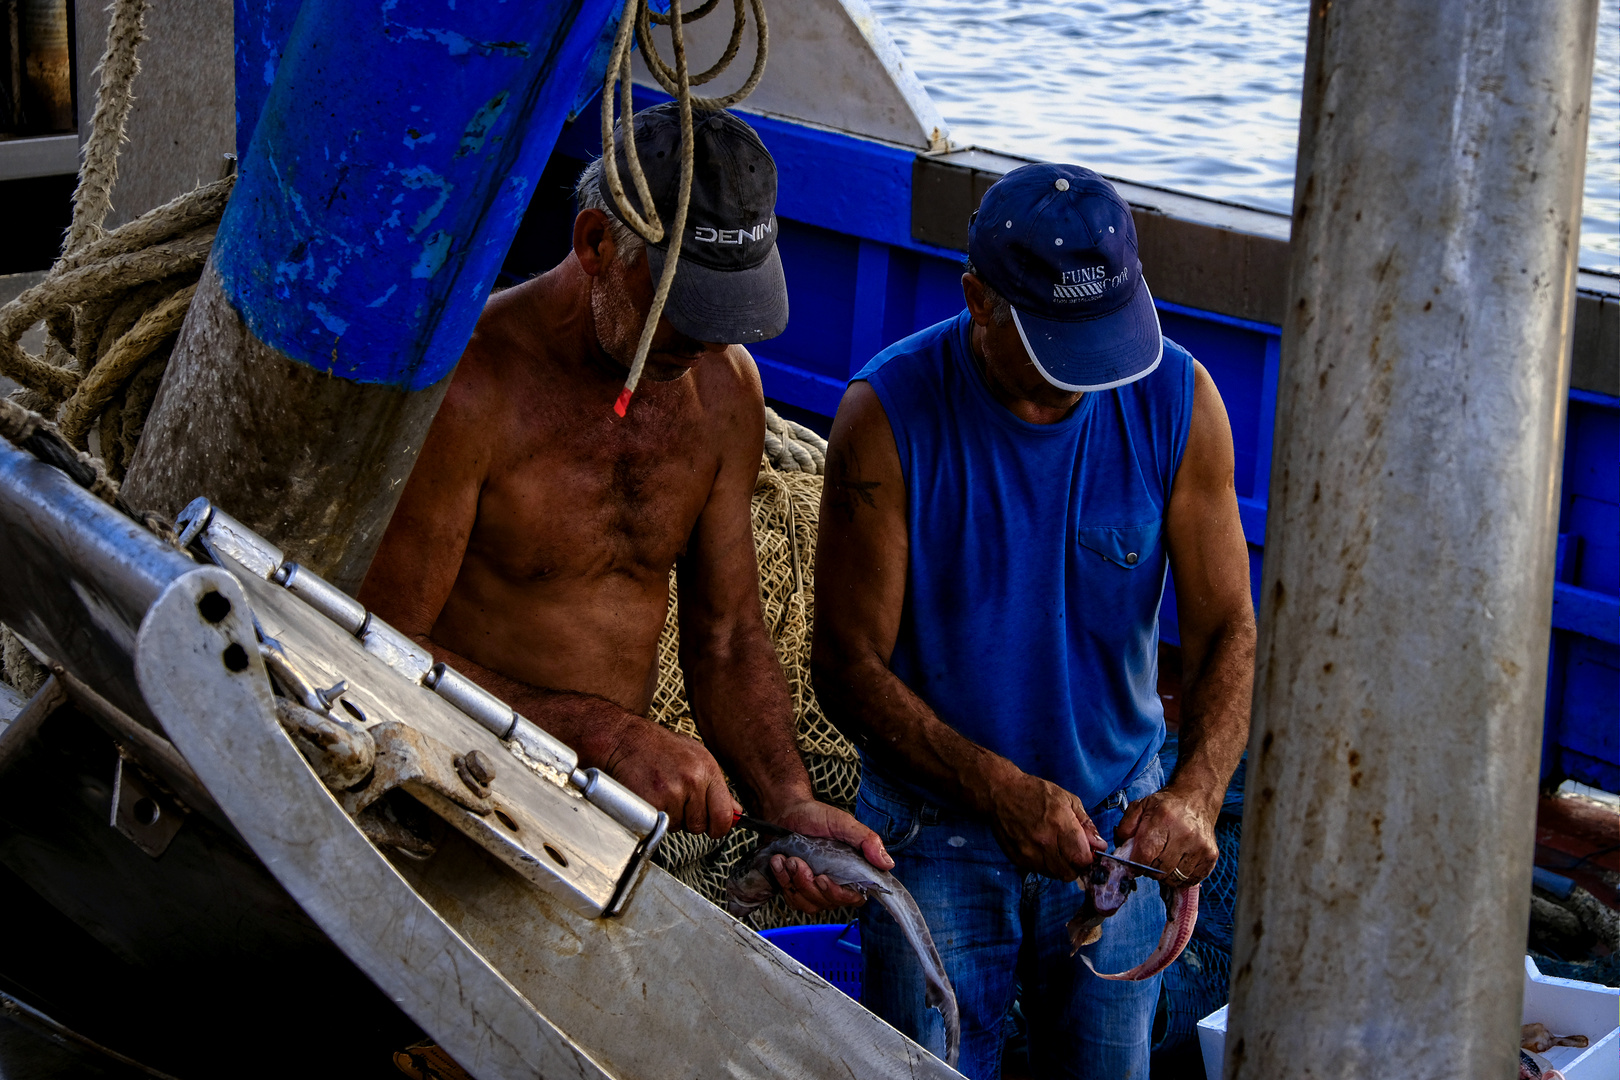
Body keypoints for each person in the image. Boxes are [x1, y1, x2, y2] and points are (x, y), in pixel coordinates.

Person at [360, 102, 887, 913]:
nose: (710, 343)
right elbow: (381, 647)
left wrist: (789, 801)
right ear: (597, 245)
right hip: (448, 788)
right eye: (688, 310)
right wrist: (600, 735)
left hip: (599, 823)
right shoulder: (472, 389)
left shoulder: (723, 388)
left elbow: (728, 634)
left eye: (728, 317)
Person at [811, 163, 1255, 1077]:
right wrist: (995, 789)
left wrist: (1197, 795)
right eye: (1061, 349)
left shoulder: (1181, 401)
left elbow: (1226, 630)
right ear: (979, 299)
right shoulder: (886, 417)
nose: (1089, 380)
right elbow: (847, 664)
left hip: (1118, 821)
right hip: (932, 832)